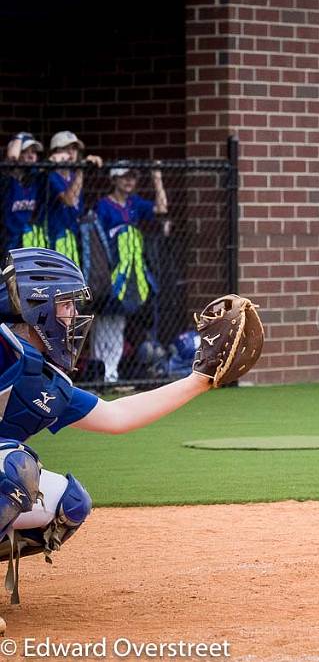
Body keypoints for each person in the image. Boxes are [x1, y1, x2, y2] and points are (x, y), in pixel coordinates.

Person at [0, 247, 260, 603]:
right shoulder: (3, 347)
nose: (73, 314)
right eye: (64, 304)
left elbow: (116, 416)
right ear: (36, 307)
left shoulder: (45, 379)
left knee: (69, 503)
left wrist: (199, 379)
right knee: (15, 469)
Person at [92, 162, 168, 383]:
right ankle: (100, 374)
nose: (129, 181)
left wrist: (157, 179)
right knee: (103, 325)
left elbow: (161, 209)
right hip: (108, 273)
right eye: (124, 176)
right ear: (113, 179)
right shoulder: (103, 206)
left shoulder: (134, 203)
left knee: (119, 324)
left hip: (129, 276)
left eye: (133, 177)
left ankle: (111, 374)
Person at [40, 131, 103, 267]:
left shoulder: (74, 175)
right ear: (55, 152)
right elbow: (69, 200)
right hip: (55, 239)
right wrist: (81, 170)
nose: (71, 153)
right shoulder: (51, 176)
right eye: (66, 148)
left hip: (73, 238)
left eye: (74, 148)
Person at [2, 133, 45, 252]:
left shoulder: (35, 179)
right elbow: (12, 159)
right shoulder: (5, 180)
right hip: (5, 243)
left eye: (34, 152)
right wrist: (19, 137)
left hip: (26, 242)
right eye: (26, 151)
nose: (31, 156)